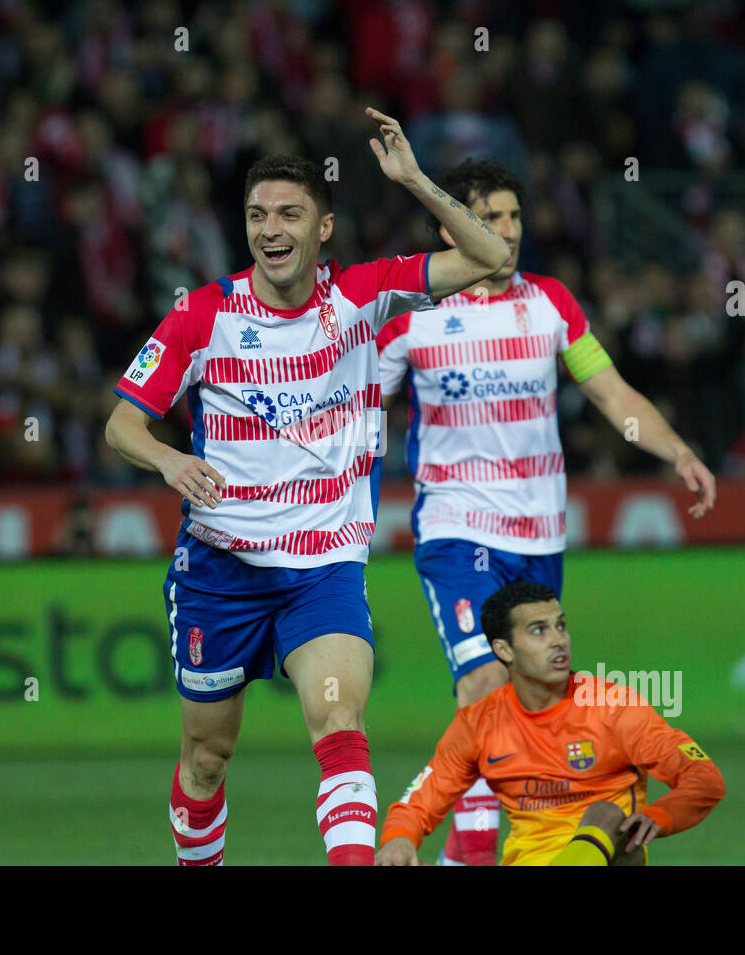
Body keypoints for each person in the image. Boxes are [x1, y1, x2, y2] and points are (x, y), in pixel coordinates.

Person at [104, 109, 510, 866]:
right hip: (220, 571)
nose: (270, 228)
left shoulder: (365, 296)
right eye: (257, 215)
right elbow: (122, 424)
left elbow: (487, 257)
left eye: (289, 213)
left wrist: (415, 179)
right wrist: (165, 461)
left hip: (320, 569)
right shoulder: (202, 314)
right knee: (206, 757)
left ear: (322, 229)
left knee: (338, 725)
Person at [376, 158, 717, 864]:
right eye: (488, 218)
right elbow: (358, 412)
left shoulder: (552, 303)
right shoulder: (412, 316)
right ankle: (469, 856)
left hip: (540, 536)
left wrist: (675, 450)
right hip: (457, 528)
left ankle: (470, 854)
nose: (506, 232)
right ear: (450, 229)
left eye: (513, 217)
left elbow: (612, 395)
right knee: (485, 690)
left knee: (524, 706)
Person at [375, 581, 725, 866]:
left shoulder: (612, 706)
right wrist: (398, 840)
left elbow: (704, 777)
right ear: (505, 650)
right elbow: (416, 805)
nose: (559, 639)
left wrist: (660, 815)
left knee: (606, 814)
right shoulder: (479, 723)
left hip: (609, 859)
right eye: (539, 630)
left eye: (560, 625)